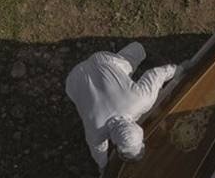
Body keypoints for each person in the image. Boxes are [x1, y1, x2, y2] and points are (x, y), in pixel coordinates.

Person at [65, 42, 178, 170]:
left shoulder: (141, 100)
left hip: (102, 61)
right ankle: (140, 49)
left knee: (128, 63)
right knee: (128, 64)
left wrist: (176, 70)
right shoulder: (95, 130)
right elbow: (97, 149)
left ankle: (139, 48)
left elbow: (156, 74)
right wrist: (102, 165)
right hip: (74, 80)